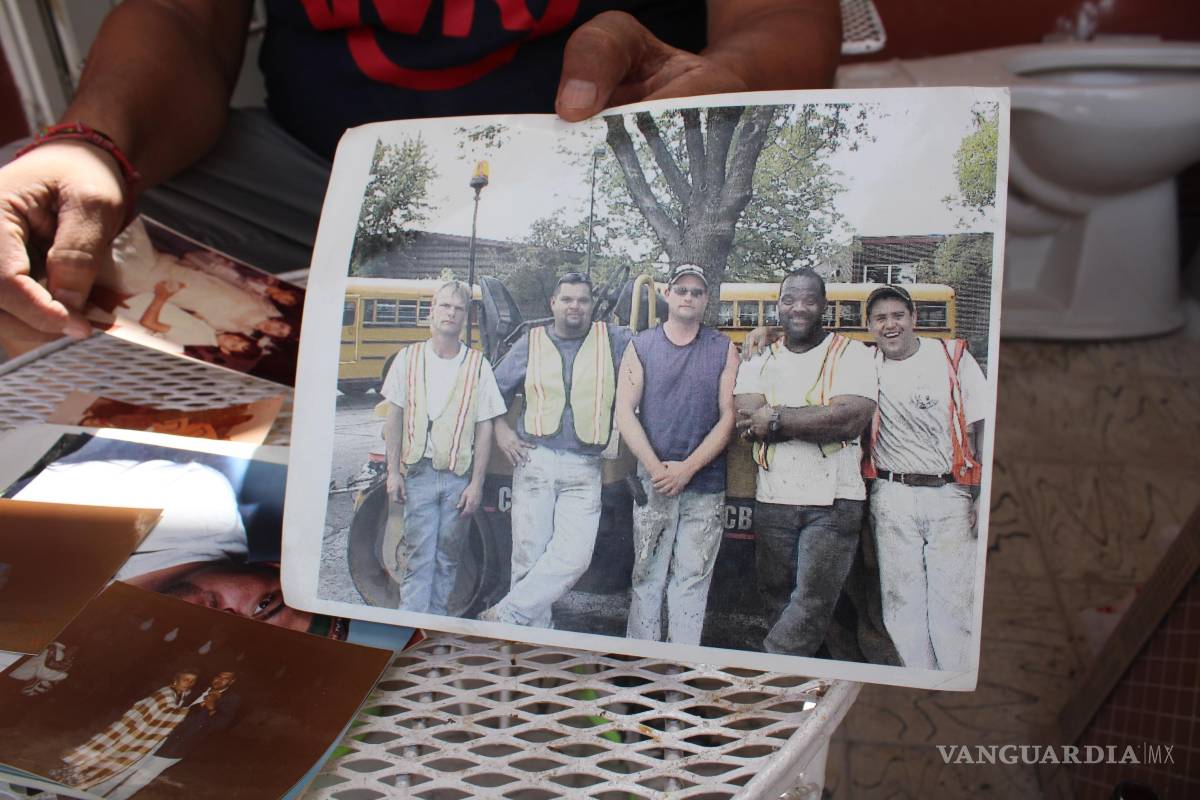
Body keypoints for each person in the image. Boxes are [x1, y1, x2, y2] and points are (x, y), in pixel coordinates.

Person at [0, 0, 841, 357]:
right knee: (38, 233)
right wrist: (93, 145)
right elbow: (184, 16)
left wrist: (732, 91)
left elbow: (782, 19)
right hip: (311, 183)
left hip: (616, 185)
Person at [733, 268, 876, 656]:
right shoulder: (759, 355)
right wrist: (815, 418)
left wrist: (775, 419)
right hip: (773, 498)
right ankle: (813, 675)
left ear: (823, 307)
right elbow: (747, 418)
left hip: (834, 501)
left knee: (812, 600)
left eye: (809, 300)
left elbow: (849, 418)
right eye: (789, 300)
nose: (799, 308)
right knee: (778, 596)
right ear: (778, 306)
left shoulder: (852, 354)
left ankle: (769, 668)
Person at [482, 272, 632, 627]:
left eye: (582, 299)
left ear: (592, 304)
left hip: (584, 468)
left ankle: (507, 615)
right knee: (528, 559)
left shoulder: (613, 339)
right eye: (567, 299)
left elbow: (661, 344)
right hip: (536, 461)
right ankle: (529, 645)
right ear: (553, 303)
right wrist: (501, 431)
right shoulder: (530, 343)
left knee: (574, 558)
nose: (575, 306)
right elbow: (486, 390)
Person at [862, 284, 987, 671]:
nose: (890, 325)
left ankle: (953, 686)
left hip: (950, 493)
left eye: (898, 315)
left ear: (914, 318)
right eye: (880, 318)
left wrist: (983, 493)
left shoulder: (952, 356)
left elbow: (984, 427)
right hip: (891, 494)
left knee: (955, 605)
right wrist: (762, 335)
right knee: (901, 606)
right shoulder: (864, 363)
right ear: (869, 327)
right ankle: (919, 683)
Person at [614, 264, 738, 644]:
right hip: (655, 484)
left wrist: (688, 469)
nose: (688, 297)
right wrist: (656, 469)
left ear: (705, 300)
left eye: (696, 292)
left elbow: (728, 417)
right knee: (647, 577)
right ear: (668, 294)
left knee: (691, 581)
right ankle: (642, 665)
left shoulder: (723, 348)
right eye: (681, 290)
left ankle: (680, 672)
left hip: (705, 486)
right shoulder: (642, 345)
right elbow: (624, 412)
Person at [380, 281, 505, 614]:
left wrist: (476, 484)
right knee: (418, 557)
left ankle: (433, 627)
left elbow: (485, 428)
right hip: (418, 475)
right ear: (431, 311)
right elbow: (393, 419)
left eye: (458, 309)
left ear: (466, 318)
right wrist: (393, 473)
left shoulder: (478, 366)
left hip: (457, 480)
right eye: (445, 306)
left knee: (448, 559)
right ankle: (410, 630)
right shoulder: (407, 359)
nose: (451, 313)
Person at [98, 671, 242, 799]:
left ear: (232, 681)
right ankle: (91, 795)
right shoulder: (199, 689)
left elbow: (219, 726)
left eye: (225, 678)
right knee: (125, 767)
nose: (219, 680)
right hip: (158, 735)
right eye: (218, 676)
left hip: (178, 745)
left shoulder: (232, 699)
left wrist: (212, 706)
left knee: (138, 780)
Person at [56, 669, 198, 795]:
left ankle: (82, 792)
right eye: (186, 680)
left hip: (140, 737)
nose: (189, 683)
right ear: (176, 680)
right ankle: (65, 788)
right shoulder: (165, 694)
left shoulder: (180, 696)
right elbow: (163, 712)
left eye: (192, 681)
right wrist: (190, 711)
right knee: (107, 759)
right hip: (132, 734)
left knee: (114, 766)